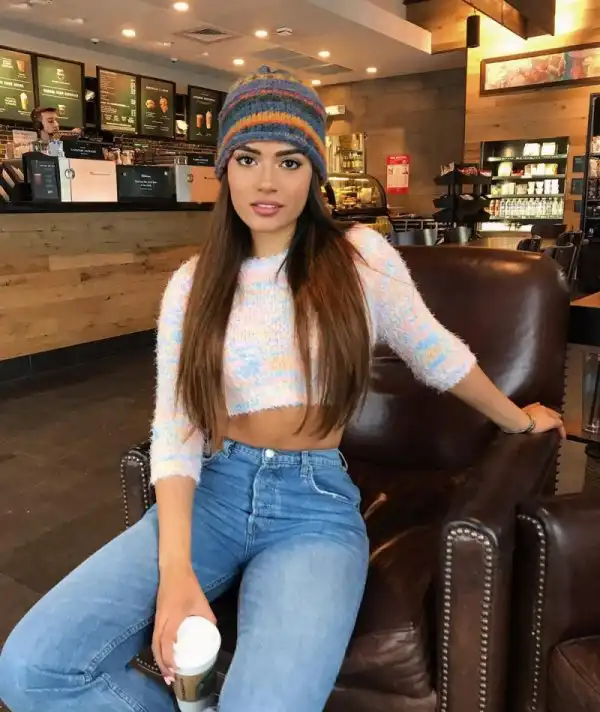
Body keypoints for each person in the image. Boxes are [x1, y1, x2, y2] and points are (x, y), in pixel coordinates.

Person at [0, 66, 565, 712]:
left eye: (289, 161)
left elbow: (433, 351)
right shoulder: (193, 284)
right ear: (226, 168)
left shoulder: (360, 259)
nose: (266, 181)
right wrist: (176, 572)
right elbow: (176, 427)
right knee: (31, 669)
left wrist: (518, 419)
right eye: (248, 158)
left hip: (312, 507)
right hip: (213, 492)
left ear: (314, 173)